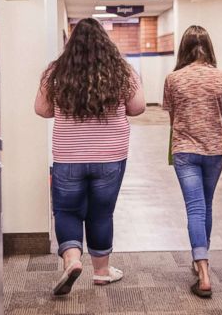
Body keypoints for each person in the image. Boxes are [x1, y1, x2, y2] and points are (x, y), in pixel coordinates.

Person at [34, 17, 145, 296]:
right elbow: (139, 107)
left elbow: (42, 110)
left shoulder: (56, 72)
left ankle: (71, 260)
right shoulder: (121, 70)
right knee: (101, 213)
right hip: (110, 155)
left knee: (67, 210)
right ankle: (102, 272)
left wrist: (65, 107)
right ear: (105, 43)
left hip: (68, 155)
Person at [162, 26, 222, 298]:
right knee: (206, 204)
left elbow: (172, 117)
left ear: (183, 48)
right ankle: (202, 258)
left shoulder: (173, 79)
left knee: (194, 207)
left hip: (185, 150)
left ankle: (202, 269)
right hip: (214, 151)